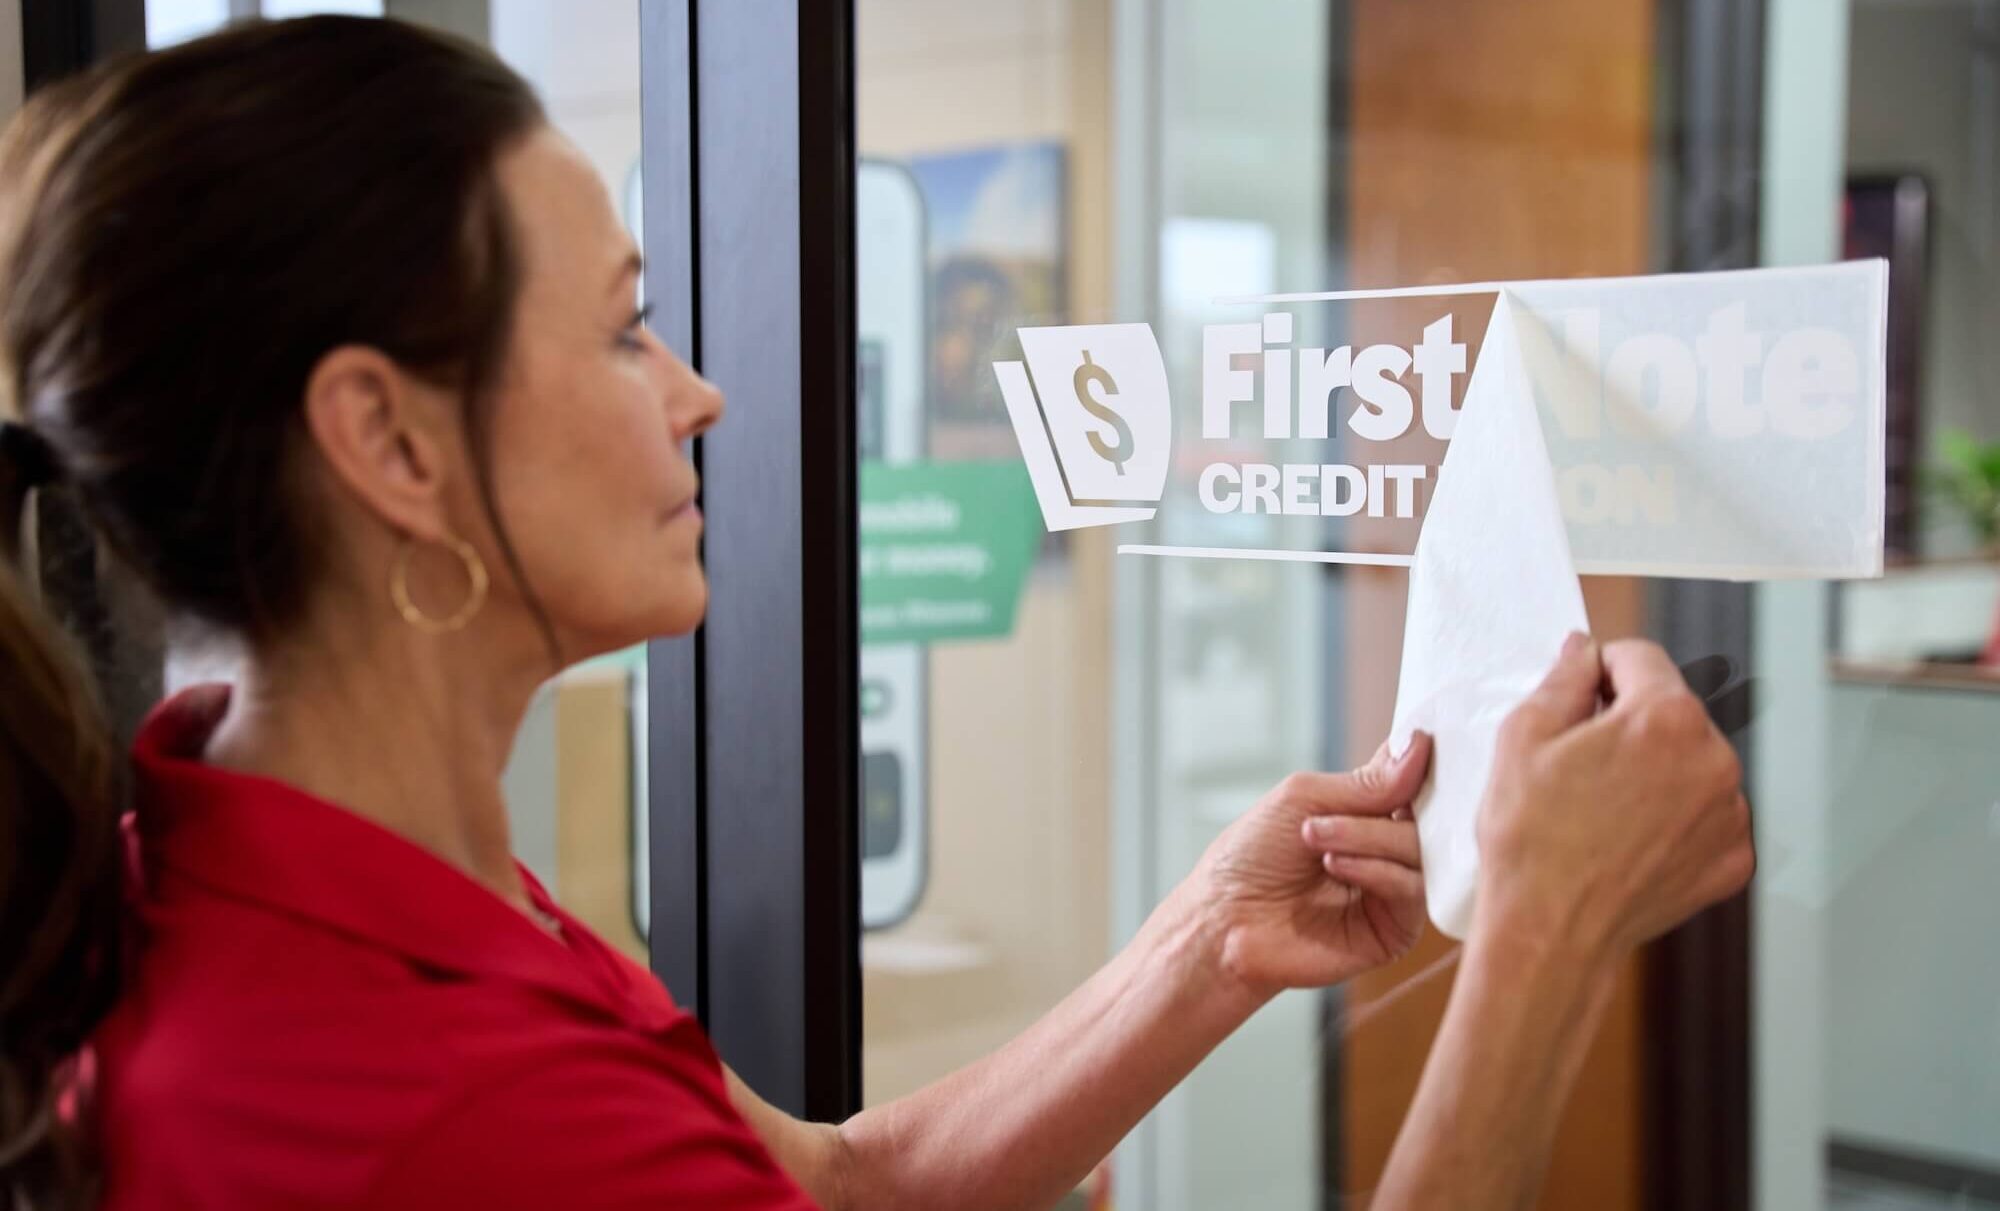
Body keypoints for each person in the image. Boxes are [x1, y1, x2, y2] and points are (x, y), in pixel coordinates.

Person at [0, 17, 1752, 1211]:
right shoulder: (451, 1106)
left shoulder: (308, 873)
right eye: (622, 331)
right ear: (386, 438)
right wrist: (1543, 937)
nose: (696, 396)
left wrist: (1207, 948)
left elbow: (835, 1184)